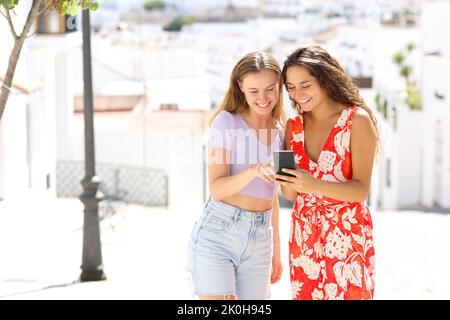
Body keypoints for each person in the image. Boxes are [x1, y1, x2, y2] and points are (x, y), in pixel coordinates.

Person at [276, 45, 378, 300]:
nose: (297, 94)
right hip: (304, 238)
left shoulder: (357, 121)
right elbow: (290, 195)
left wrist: (315, 185)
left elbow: (360, 190)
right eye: (290, 87)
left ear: (324, 79)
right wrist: (283, 173)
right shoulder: (293, 126)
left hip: (347, 240)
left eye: (305, 85)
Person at [186, 52, 285, 300]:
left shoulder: (282, 133)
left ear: (279, 86)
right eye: (253, 91)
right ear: (240, 86)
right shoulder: (226, 123)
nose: (262, 98)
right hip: (219, 233)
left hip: (261, 238)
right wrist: (254, 171)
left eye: (269, 89)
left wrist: (276, 251)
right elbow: (217, 189)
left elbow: (272, 196)